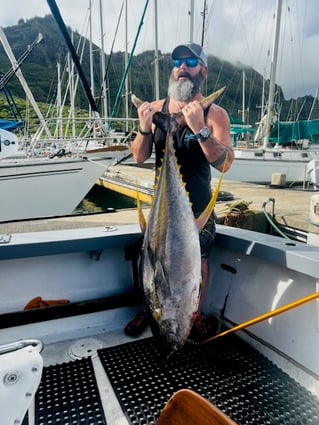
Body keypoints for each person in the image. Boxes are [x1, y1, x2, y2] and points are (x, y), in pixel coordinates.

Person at [125, 42, 234, 338]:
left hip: (198, 210)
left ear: (203, 70)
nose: (182, 67)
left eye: (190, 61)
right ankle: (150, 306)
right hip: (163, 211)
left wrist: (199, 127)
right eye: (177, 62)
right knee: (148, 258)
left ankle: (192, 313)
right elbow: (138, 156)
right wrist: (145, 128)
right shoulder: (156, 109)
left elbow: (224, 164)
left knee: (196, 261)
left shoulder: (215, 114)